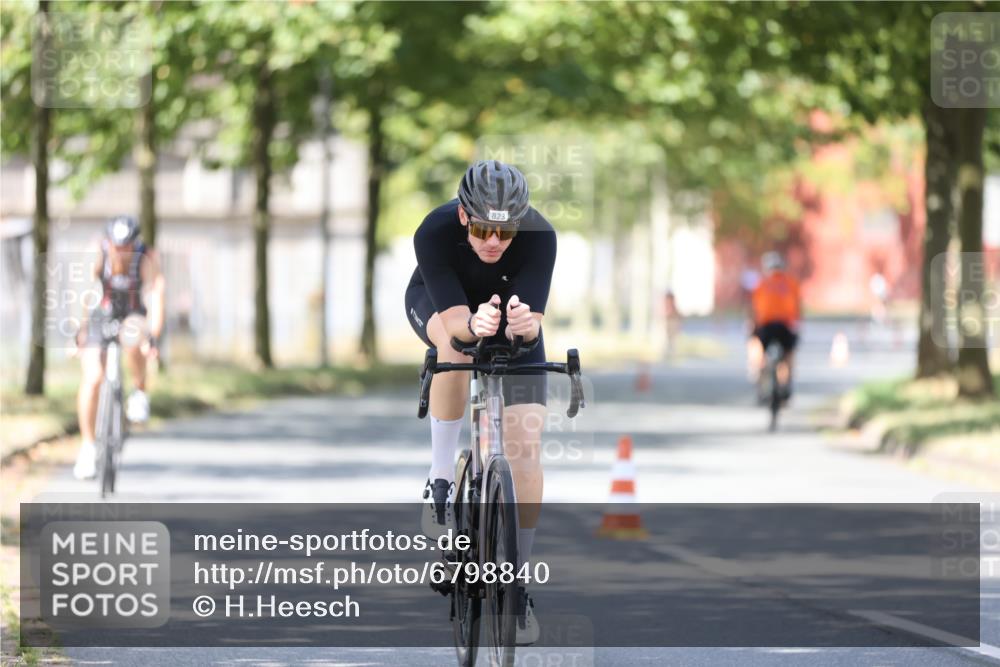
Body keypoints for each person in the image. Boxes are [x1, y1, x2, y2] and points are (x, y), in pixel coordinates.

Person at [405, 160, 555, 645]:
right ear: (463, 217)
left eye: (506, 231)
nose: (493, 241)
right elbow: (456, 326)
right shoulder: (434, 231)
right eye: (483, 229)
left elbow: (531, 323)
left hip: (509, 320)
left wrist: (524, 326)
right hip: (443, 306)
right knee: (454, 349)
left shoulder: (541, 236)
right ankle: (441, 478)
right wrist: (473, 325)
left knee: (525, 446)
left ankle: (517, 584)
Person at [73, 215, 165, 479]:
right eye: (117, 246)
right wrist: (79, 330)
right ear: (108, 242)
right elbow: (82, 291)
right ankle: (88, 446)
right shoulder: (96, 253)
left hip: (133, 313)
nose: (122, 252)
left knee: (135, 339)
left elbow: (156, 294)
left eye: (127, 247)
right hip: (101, 313)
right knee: (93, 378)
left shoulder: (147, 257)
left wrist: (153, 335)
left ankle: (139, 391)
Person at [749, 251, 801, 401]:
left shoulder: (761, 284)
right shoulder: (791, 283)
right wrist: (797, 324)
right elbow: (798, 307)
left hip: (766, 325)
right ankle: (787, 382)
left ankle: (759, 380)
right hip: (785, 325)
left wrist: (752, 326)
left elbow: (754, 308)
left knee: (757, 347)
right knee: (789, 352)